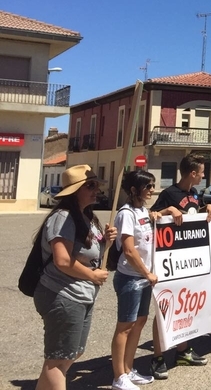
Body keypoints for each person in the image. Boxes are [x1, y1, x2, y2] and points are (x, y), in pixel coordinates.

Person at [33, 164, 117, 390]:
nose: (96, 189)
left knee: (71, 354)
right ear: (74, 190)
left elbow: (86, 253)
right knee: (58, 360)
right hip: (62, 294)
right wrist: (92, 275)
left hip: (81, 294)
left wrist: (106, 241)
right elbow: (62, 260)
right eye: (90, 185)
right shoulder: (63, 217)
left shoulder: (86, 216)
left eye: (96, 185)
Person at [149, 154, 211, 380]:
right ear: (192, 173)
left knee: (186, 307)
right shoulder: (169, 194)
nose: (204, 175)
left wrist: (209, 208)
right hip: (170, 261)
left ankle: (182, 351)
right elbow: (151, 216)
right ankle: (157, 358)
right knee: (164, 310)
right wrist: (168, 211)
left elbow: (195, 213)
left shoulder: (195, 194)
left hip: (191, 260)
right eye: (202, 172)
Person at [110, 170, 159, 390]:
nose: (152, 190)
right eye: (148, 186)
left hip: (144, 277)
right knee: (125, 326)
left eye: (152, 186)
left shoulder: (143, 210)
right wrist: (146, 273)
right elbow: (129, 250)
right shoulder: (126, 213)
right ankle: (118, 376)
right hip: (131, 277)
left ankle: (128, 369)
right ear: (134, 189)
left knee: (139, 323)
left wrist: (157, 214)